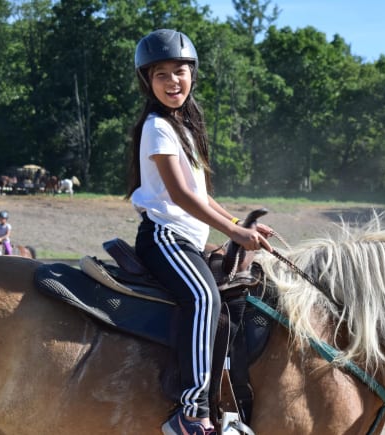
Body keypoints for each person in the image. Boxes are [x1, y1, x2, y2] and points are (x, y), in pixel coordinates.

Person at [126, 29, 273, 435]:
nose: (173, 82)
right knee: (203, 297)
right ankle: (191, 411)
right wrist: (232, 231)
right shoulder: (157, 126)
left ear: (192, 75)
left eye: (179, 72)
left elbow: (201, 196)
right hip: (163, 237)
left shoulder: (184, 129)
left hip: (187, 238)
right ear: (148, 82)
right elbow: (178, 195)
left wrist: (239, 227)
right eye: (161, 75)